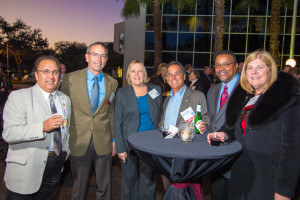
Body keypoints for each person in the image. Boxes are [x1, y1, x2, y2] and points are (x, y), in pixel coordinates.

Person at [207, 50, 300, 200]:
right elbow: (236, 128)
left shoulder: (288, 101)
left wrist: (284, 192)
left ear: (270, 70)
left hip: (268, 181)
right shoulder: (246, 99)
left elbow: (293, 152)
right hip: (241, 177)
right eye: (250, 68)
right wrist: (223, 133)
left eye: (260, 67)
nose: (254, 72)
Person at [2, 55, 71, 199]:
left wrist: (65, 151)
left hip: (55, 165)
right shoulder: (19, 97)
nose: (51, 76)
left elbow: (66, 129)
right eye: (46, 71)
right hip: (26, 168)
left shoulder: (64, 99)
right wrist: (42, 127)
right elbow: (9, 133)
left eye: (55, 72)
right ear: (36, 74)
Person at [60, 42, 118, 200]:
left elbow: (111, 111)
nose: (99, 59)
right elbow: (61, 107)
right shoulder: (70, 79)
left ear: (106, 59)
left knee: (104, 186)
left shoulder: (112, 83)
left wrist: (114, 139)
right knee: (78, 187)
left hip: (104, 140)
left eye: (103, 55)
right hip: (79, 140)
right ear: (87, 57)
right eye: (95, 54)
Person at [114, 60, 162, 200]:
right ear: (129, 75)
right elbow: (118, 121)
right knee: (129, 181)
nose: (136, 74)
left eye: (140, 70)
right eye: (133, 71)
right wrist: (121, 148)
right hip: (129, 144)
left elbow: (160, 115)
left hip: (149, 143)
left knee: (149, 181)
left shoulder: (155, 90)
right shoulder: (122, 93)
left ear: (144, 73)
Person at [160, 61, 210, 189]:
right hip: (166, 151)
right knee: (169, 189)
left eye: (177, 73)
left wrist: (204, 126)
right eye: (170, 74)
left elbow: (206, 120)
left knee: (188, 192)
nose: (173, 77)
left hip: (187, 153)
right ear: (166, 79)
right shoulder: (166, 100)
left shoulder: (197, 96)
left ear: (184, 76)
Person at [207, 50, 240, 200]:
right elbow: (211, 120)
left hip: (237, 159)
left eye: (226, 64)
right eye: (218, 65)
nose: (221, 68)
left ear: (236, 66)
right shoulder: (213, 90)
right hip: (215, 159)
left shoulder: (247, 89)